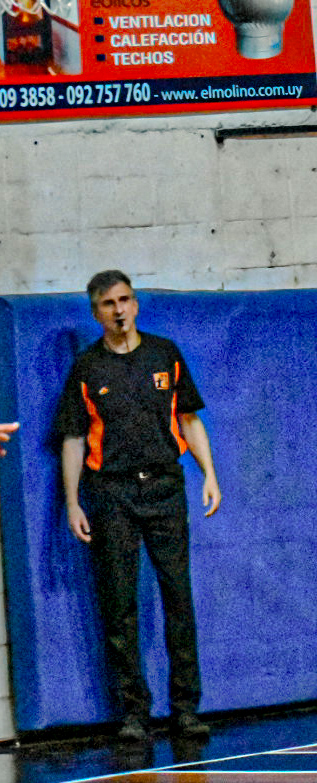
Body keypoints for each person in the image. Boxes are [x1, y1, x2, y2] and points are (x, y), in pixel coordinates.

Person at [57, 271, 221, 742]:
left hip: (164, 488)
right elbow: (73, 438)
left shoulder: (164, 354)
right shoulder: (87, 368)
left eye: (125, 299)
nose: (119, 310)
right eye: (109, 303)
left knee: (178, 598)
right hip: (112, 494)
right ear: (96, 312)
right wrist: (73, 502)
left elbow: (188, 418)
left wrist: (209, 474)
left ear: (136, 304)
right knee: (119, 604)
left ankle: (185, 709)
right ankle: (134, 714)